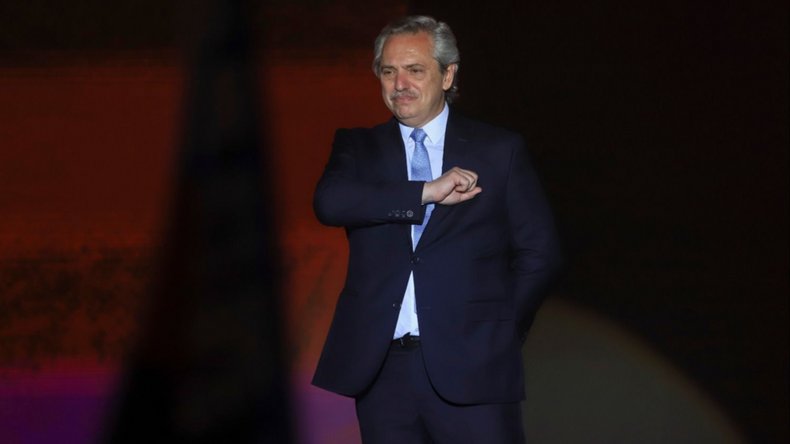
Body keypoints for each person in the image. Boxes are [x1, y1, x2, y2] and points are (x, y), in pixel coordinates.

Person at [311, 15, 563, 443]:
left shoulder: (497, 150)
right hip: (383, 372)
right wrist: (425, 192)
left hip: (475, 366)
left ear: (448, 75)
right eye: (388, 71)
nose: (400, 84)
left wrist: (498, 330)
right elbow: (329, 203)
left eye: (415, 70)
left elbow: (540, 253)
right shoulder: (358, 147)